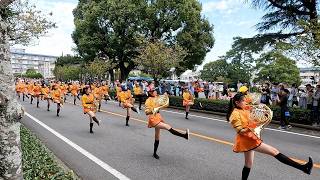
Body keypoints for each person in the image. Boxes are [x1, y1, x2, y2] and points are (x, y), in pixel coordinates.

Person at [227, 93, 313, 180]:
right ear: (237, 103)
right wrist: (252, 126)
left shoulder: (245, 108)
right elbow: (240, 131)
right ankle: (303, 168)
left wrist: (260, 109)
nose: (246, 102)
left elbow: (255, 115)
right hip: (247, 140)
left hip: (250, 137)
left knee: (248, 164)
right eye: (243, 101)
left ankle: (304, 168)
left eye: (245, 100)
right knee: (274, 152)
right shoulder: (235, 114)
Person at [145, 88, 189, 159]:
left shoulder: (158, 97)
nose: (156, 91)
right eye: (154, 91)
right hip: (153, 118)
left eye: (155, 90)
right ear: (150, 93)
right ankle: (184, 136)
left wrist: (166, 96)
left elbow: (165, 104)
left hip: (158, 117)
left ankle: (154, 153)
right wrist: (154, 110)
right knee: (167, 126)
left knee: (157, 136)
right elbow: (146, 112)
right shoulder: (148, 100)